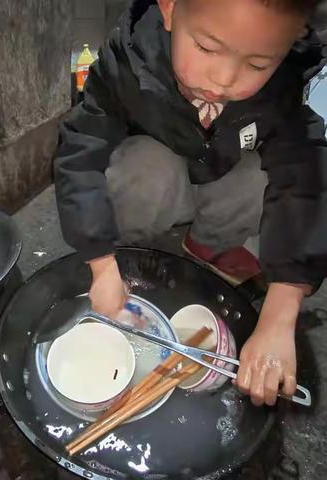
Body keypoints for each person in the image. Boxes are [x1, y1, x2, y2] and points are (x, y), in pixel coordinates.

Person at [54, 0, 327, 406]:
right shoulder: (127, 59)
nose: (224, 79)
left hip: (220, 172)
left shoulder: (283, 84)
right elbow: (80, 150)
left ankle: (207, 246)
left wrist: (280, 312)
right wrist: (100, 262)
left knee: (269, 175)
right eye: (207, 48)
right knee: (146, 167)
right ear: (170, 8)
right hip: (159, 174)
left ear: (289, 44)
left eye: (256, 65)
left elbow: (305, 178)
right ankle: (128, 255)